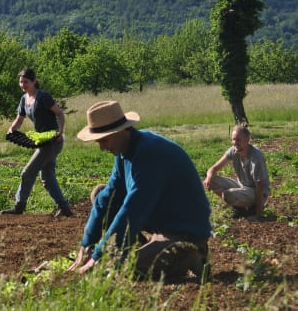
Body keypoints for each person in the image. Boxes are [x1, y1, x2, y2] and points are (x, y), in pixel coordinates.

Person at [67, 100, 212, 281]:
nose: (102, 147)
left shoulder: (149, 153)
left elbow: (134, 208)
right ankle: (151, 250)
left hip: (183, 229)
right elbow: (109, 197)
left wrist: (99, 255)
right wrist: (87, 244)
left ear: (120, 131)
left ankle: (189, 254)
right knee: (100, 194)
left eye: (104, 140)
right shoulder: (125, 151)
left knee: (122, 270)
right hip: (161, 217)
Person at [2, 68, 72, 217]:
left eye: (26, 82)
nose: (23, 85)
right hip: (41, 141)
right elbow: (19, 119)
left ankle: (19, 207)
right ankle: (64, 208)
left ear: (34, 81)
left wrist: (60, 131)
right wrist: (11, 129)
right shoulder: (24, 99)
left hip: (53, 141)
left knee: (27, 173)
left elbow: (60, 114)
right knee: (47, 177)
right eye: (21, 82)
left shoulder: (44, 97)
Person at [203, 123, 270, 220]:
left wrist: (258, 213)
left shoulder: (256, 157)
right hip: (243, 187)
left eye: (238, 140)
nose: (235, 142)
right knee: (212, 179)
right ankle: (240, 209)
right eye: (233, 139)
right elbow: (213, 168)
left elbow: (260, 186)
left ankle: (251, 207)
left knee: (228, 194)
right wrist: (208, 178)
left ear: (247, 139)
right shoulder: (233, 150)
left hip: (257, 191)